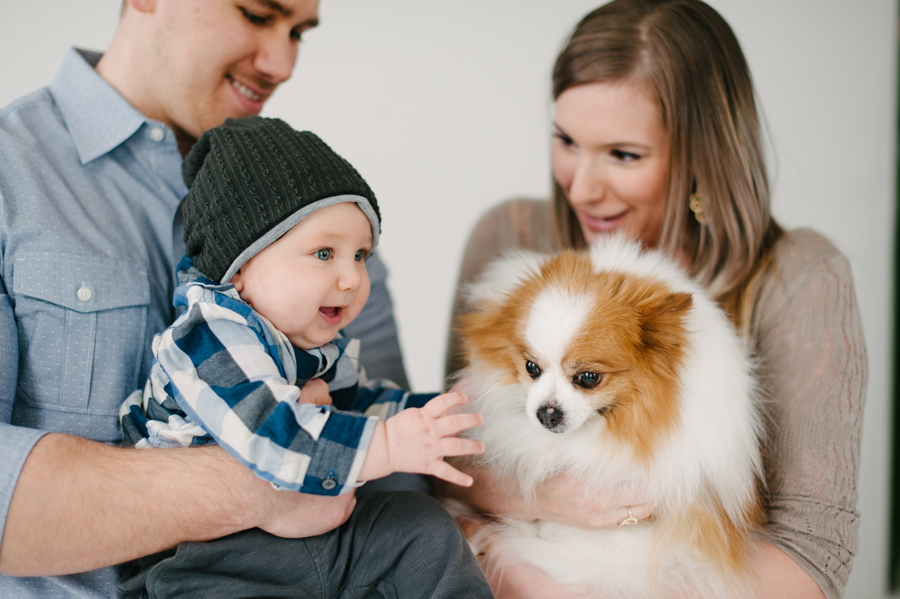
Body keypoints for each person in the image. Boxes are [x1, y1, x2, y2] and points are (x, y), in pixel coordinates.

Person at [438, 1, 867, 598]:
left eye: (623, 155)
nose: (581, 186)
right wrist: (525, 497)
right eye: (567, 141)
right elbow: (437, 458)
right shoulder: (509, 237)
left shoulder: (799, 277)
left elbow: (812, 558)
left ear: (702, 156)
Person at [0, 1, 416, 597]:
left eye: (298, 31)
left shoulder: (329, 228)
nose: (283, 61)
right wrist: (257, 484)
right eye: (256, 14)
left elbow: (397, 467)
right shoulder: (9, 177)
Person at [114, 116, 490, 598]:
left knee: (421, 527)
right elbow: (270, 430)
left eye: (360, 255)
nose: (352, 278)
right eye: (323, 254)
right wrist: (388, 446)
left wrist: (445, 412)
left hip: (316, 542)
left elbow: (358, 407)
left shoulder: (308, 345)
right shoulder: (205, 336)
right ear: (241, 267)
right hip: (207, 560)